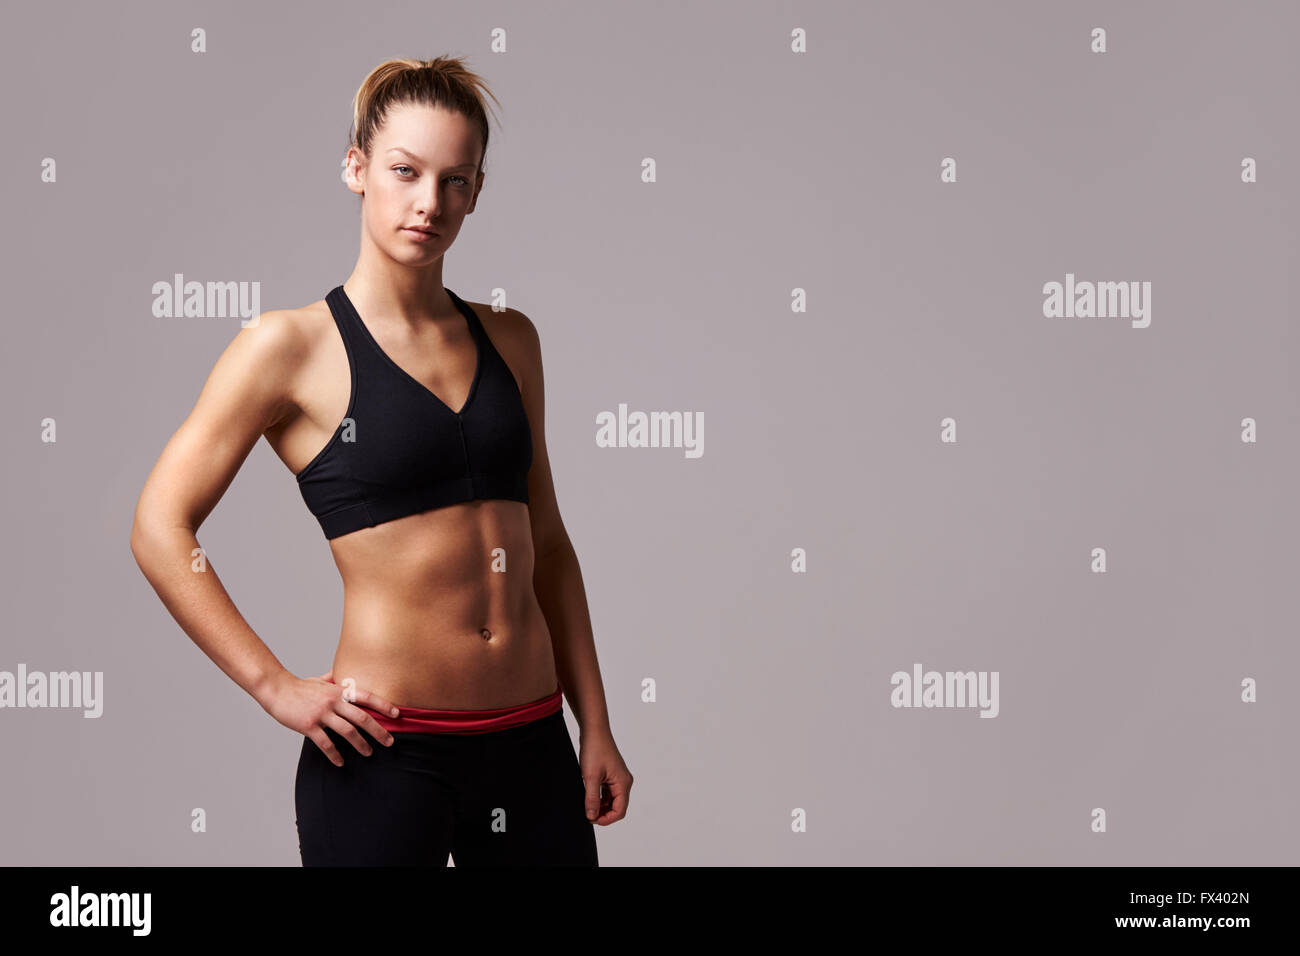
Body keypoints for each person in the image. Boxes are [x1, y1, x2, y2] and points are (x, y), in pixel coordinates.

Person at [129, 55, 631, 866]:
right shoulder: (287, 347)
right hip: (386, 755)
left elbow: (550, 546)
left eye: (456, 180)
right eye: (405, 171)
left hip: (532, 744)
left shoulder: (512, 338)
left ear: (476, 190)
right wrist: (273, 686)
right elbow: (159, 526)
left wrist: (595, 724)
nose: (429, 202)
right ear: (356, 168)